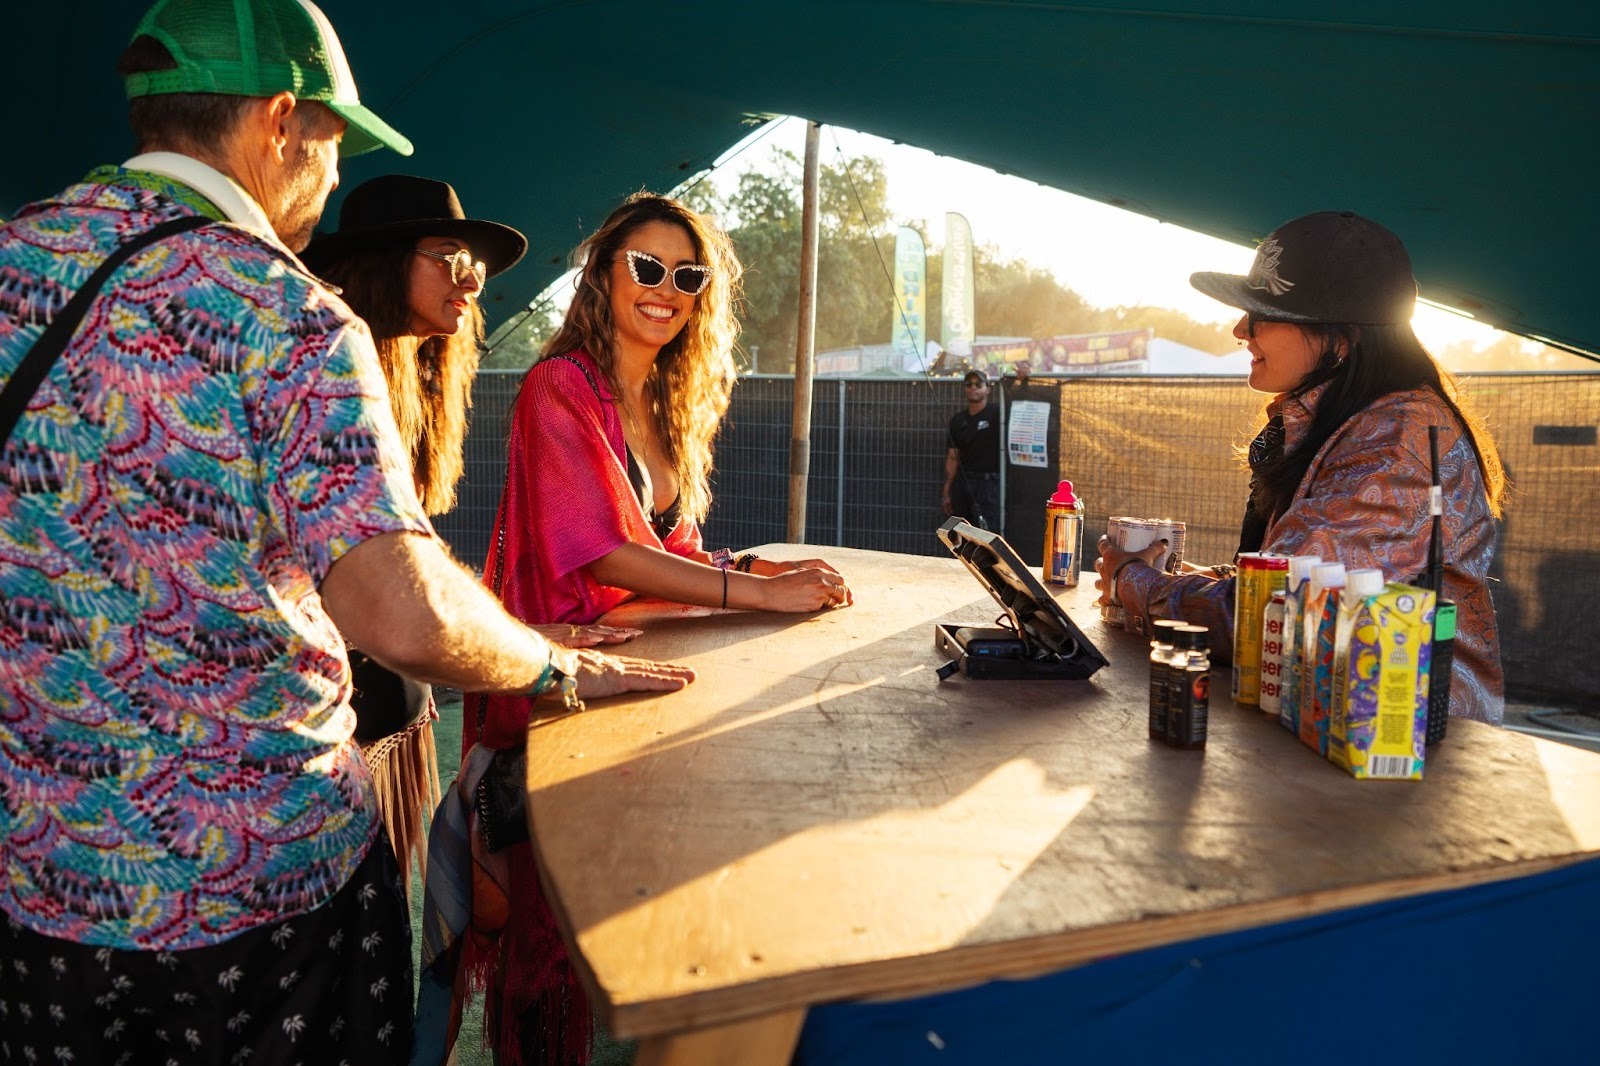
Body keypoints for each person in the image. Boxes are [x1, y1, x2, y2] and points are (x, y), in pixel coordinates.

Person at [0, 2, 691, 1063]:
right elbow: (400, 613)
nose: (331, 175)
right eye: (335, 141)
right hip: (257, 910)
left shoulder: (16, 256)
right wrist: (554, 664)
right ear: (282, 122)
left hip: (39, 899)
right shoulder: (286, 310)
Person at [463, 192, 852, 1065]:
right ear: (603, 275)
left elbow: (669, 548)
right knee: (550, 939)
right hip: (562, 691)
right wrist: (755, 596)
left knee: (625, 907)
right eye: (646, 267)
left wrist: (756, 570)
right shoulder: (559, 386)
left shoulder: (665, 398)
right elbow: (603, 551)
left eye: (688, 277)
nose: (666, 290)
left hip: (634, 690)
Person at [301, 174, 640, 898]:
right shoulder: (323, 376)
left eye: (477, 265)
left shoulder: (403, 377)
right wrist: (534, 653)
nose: (473, 281)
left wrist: (513, 632)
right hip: (327, 747)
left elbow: (409, 567)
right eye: (450, 257)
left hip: (392, 725)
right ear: (382, 263)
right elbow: (375, 592)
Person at [1094, 211, 1507, 724]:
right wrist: (1208, 579)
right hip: (1338, 729)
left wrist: (1133, 581)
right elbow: (1296, 575)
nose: (1239, 330)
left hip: (1406, 745)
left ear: (1341, 338)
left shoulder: (1395, 441)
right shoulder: (1349, 421)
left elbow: (1282, 613)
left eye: (1262, 315)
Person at [942, 367, 1002, 529]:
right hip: (963, 484)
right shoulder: (957, 420)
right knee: (962, 531)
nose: (973, 388)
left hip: (989, 485)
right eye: (969, 384)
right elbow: (952, 457)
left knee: (987, 532)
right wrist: (946, 492)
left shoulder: (998, 414)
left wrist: (1023, 378)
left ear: (988, 389)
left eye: (978, 384)